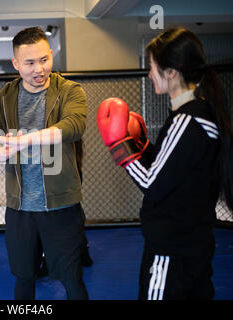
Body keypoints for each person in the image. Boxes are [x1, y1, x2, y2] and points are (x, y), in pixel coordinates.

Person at [97, 27, 233, 300]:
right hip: (192, 245)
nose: (149, 74)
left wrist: (119, 148)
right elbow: (175, 170)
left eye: (152, 67)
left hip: (171, 252)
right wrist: (142, 147)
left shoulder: (185, 121)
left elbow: (152, 183)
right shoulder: (201, 112)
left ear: (171, 71)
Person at [0, 27, 90, 300]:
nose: (38, 69)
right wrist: (3, 151)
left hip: (61, 204)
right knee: (24, 278)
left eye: (44, 59)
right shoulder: (3, 98)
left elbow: (75, 125)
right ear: (16, 64)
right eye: (30, 62)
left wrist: (27, 140)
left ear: (51, 55)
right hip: (20, 207)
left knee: (72, 278)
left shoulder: (69, 90)